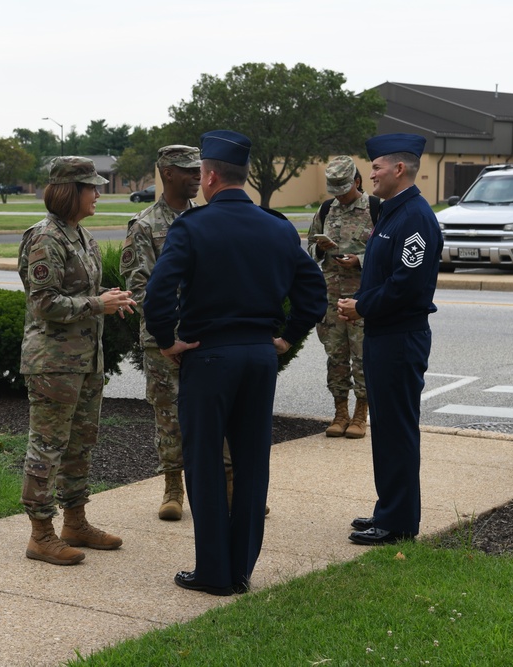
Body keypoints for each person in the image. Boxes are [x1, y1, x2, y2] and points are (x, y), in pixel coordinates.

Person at [143, 130, 326, 595]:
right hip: (259, 357)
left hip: (208, 356)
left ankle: (213, 572)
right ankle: (241, 569)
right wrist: (288, 337)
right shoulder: (279, 227)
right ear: (242, 177)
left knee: (204, 463)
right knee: (250, 463)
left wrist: (168, 341)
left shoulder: (191, 227)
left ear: (208, 176)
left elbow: (158, 294)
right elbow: (313, 293)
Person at [17, 156, 136, 566]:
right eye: (92, 187)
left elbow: (81, 289)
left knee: (81, 444)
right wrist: (95, 303)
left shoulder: (78, 235)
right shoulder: (45, 238)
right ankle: (41, 534)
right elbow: (43, 302)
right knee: (47, 447)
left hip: (86, 361)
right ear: (72, 192)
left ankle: (76, 523)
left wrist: (109, 299)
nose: (99, 194)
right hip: (53, 363)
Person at [337, 133, 442, 546]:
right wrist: (362, 299)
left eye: (377, 166)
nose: (371, 174)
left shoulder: (414, 217)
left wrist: (362, 306)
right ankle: (389, 510)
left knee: (396, 429)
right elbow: (385, 276)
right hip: (384, 335)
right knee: (386, 427)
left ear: (399, 169)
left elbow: (408, 286)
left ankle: (397, 524)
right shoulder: (393, 213)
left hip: (399, 339)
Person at [119, 145, 203, 521]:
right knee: (168, 415)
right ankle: (173, 488)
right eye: (188, 170)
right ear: (167, 173)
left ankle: (228, 484)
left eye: (199, 169)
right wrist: (170, 334)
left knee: (216, 412)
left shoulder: (208, 219)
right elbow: (139, 287)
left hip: (207, 335)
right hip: (163, 340)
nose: (197, 176)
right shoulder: (145, 225)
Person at [307, 156, 378, 439]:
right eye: (334, 188)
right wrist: (322, 250)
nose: (338, 194)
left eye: (343, 188)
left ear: (357, 181)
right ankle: (340, 412)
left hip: (362, 300)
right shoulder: (327, 210)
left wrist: (359, 260)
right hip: (331, 298)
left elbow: (385, 252)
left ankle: (361, 414)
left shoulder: (375, 209)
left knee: (362, 358)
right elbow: (310, 249)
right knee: (335, 357)